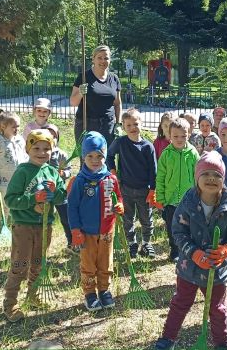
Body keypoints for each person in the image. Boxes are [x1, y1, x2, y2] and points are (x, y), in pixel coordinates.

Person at [154, 151, 227, 350]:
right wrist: (193, 253)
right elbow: (178, 232)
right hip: (189, 267)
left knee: (217, 308)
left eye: (217, 175)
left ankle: (221, 343)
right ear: (197, 177)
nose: (211, 178)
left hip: (217, 269)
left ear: (223, 179)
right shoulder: (188, 201)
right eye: (206, 174)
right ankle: (167, 339)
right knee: (180, 303)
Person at [2, 130, 67, 322]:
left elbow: (61, 198)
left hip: (45, 227)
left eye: (46, 149)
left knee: (38, 262)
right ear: (28, 149)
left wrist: (55, 192)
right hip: (24, 227)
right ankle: (10, 303)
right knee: (20, 264)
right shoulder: (23, 171)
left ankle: (33, 294)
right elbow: (11, 200)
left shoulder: (52, 172)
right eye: (36, 148)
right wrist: (32, 199)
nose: (41, 152)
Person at [67, 131, 125, 311]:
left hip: (107, 230)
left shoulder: (111, 179)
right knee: (89, 264)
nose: (95, 160)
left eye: (99, 156)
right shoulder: (80, 181)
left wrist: (120, 206)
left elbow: (118, 197)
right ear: (83, 156)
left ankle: (104, 290)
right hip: (87, 232)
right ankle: (90, 293)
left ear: (105, 156)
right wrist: (75, 230)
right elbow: (72, 207)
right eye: (90, 156)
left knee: (105, 262)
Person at [106, 108, 158, 259]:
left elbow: (153, 170)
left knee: (146, 218)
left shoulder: (148, 146)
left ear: (141, 124)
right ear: (123, 127)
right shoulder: (120, 142)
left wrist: (152, 189)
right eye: (128, 125)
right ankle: (132, 243)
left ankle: (146, 243)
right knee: (128, 218)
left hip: (144, 190)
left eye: (135, 124)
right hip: (125, 189)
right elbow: (109, 156)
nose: (132, 128)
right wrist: (113, 171)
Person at [154, 118, 200, 262]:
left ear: (189, 134)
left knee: (189, 227)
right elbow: (160, 177)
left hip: (189, 200)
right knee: (172, 227)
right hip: (171, 200)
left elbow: (198, 176)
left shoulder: (193, 153)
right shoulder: (166, 154)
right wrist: (160, 197)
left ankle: (188, 250)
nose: (179, 139)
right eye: (175, 136)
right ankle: (175, 251)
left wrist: (199, 196)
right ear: (169, 136)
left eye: (183, 136)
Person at [69, 45, 122, 145]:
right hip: (87, 125)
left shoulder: (114, 78)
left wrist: (118, 124)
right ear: (93, 59)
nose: (103, 61)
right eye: (99, 58)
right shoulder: (84, 77)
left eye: (106, 58)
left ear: (110, 60)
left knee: (106, 154)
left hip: (108, 126)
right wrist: (80, 93)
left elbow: (117, 104)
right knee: (87, 154)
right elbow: (73, 102)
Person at [0, 110, 28, 225]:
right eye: (13, 127)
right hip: (6, 181)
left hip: (21, 179)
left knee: (20, 201)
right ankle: (4, 224)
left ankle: (19, 224)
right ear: (3, 127)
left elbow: (25, 156)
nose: (16, 129)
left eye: (18, 126)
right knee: (7, 204)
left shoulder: (20, 140)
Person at [44, 124, 74, 253]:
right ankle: (42, 246)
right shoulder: (39, 154)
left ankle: (72, 242)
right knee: (44, 219)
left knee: (66, 218)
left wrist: (63, 173)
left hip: (59, 191)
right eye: (48, 135)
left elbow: (69, 171)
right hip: (43, 192)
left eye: (54, 136)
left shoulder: (62, 154)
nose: (51, 138)